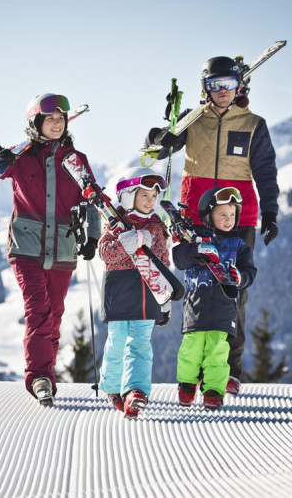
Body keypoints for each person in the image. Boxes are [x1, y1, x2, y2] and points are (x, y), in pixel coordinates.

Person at [144, 55, 279, 395]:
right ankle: (196, 369)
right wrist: (161, 133)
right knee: (197, 290)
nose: (222, 92)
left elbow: (265, 171)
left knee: (234, 293)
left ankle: (228, 371)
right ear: (205, 88)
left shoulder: (253, 124)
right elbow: (158, 150)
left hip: (237, 217)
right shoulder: (193, 119)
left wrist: (271, 212)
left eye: (229, 85)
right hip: (195, 217)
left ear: (240, 87)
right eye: (214, 85)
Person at [0, 93, 101, 406]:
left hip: (63, 247)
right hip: (26, 246)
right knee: (39, 310)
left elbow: (91, 200)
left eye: (61, 119)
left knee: (55, 314)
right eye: (50, 119)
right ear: (36, 122)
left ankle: (46, 374)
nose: (57, 124)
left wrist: (92, 237)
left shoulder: (76, 160)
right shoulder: (20, 158)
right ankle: (38, 378)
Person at [172, 187, 257, 410]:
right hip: (195, 307)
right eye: (222, 215)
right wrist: (196, 249)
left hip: (224, 307)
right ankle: (187, 384)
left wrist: (240, 278)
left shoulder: (239, 246)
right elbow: (178, 259)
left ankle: (213, 390)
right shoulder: (196, 239)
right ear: (209, 215)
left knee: (218, 351)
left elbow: (250, 272)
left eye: (232, 215)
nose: (228, 220)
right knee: (191, 348)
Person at [98, 167, 171, 418]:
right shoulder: (114, 223)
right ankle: (113, 388)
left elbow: (164, 262)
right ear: (128, 196)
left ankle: (136, 391)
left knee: (140, 344)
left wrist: (166, 298)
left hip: (148, 295)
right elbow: (106, 254)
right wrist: (125, 243)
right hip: (119, 292)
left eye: (153, 197)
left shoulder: (157, 227)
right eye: (144, 196)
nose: (150, 201)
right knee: (117, 341)